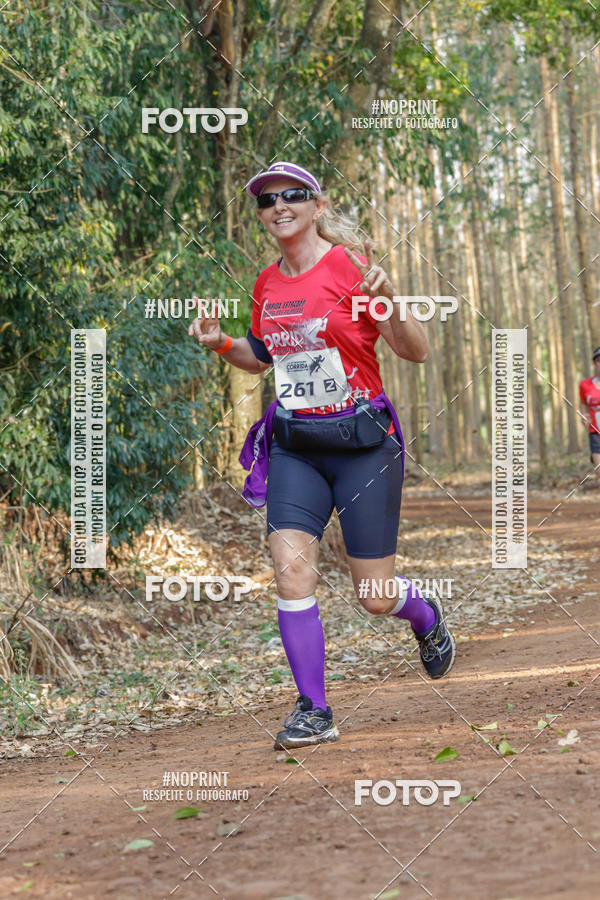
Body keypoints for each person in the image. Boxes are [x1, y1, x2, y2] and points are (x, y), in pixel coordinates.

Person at [188, 161, 455, 749]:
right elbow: (261, 356)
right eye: (267, 200)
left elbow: (415, 352)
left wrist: (391, 302)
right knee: (291, 572)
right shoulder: (266, 284)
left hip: (363, 446)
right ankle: (314, 709)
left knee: (374, 597)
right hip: (297, 447)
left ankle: (426, 614)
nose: (279, 206)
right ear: (261, 215)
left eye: (292, 195)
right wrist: (221, 343)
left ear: (317, 205)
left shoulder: (351, 268)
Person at [579, 346, 600, 475]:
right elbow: (583, 402)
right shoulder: (585, 385)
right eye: (598, 360)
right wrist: (585, 414)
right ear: (594, 363)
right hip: (595, 432)